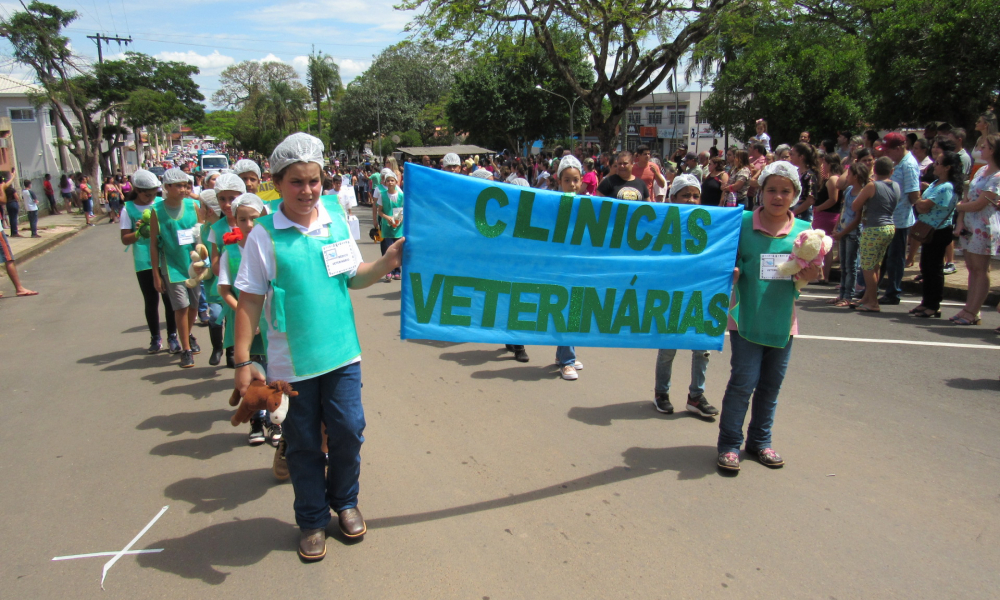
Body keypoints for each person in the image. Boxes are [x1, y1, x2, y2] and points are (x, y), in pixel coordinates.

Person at [232, 132, 404, 562]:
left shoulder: (332, 216)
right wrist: (242, 361)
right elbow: (250, 300)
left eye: (314, 181)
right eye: (296, 182)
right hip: (291, 366)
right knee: (304, 442)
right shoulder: (264, 235)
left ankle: (345, 501)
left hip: (342, 355)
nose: (307, 191)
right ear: (276, 182)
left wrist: (387, 262)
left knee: (348, 432)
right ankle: (311, 519)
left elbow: (353, 276)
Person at [717, 161, 819, 472]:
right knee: (743, 382)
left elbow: (809, 275)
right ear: (760, 192)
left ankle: (760, 441)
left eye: (785, 191)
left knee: (772, 385)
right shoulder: (742, 223)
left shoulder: (805, 232)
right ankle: (729, 444)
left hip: (782, 322)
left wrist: (813, 271)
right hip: (746, 318)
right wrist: (730, 273)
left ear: (795, 194)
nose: (777, 196)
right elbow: (724, 258)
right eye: (771, 190)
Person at [653, 173, 719, 418]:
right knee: (668, 348)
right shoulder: (663, 225)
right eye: (685, 195)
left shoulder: (711, 225)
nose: (691, 200)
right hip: (671, 297)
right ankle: (661, 393)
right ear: (672, 198)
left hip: (701, 295)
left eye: (695, 195)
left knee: (702, 349)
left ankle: (696, 397)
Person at [217, 193, 275, 446]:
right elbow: (224, 291)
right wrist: (248, 320)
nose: (249, 224)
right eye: (243, 219)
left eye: (254, 218)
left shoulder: (273, 247)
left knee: (273, 373)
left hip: (272, 323)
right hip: (247, 327)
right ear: (235, 221)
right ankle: (256, 420)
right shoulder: (230, 252)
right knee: (254, 374)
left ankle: (275, 421)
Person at [120, 169, 179, 354]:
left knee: (170, 300)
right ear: (137, 190)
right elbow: (124, 239)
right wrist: (139, 233)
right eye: (147, 194)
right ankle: (155, 337)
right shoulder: (128, 209)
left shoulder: (161, 204)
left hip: (165, 259)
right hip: (143, 261)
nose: (151, 198)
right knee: (151, 300)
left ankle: (172, 336)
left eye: (154, 194)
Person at [149, 168, 203, 368]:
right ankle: (186, 349)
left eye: (186, 185)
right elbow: (153, 245)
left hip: (193, 265)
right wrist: (156, 273)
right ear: (167, 187)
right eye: (179, 186)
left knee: (194, 305)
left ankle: (186, 334)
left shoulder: (193, 206)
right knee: (181, 306)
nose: (183, 189)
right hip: (172, 267)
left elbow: (201, 234)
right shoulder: (157, 211)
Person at [951, 134, 1000, 325]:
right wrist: (961, 219)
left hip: (984, 225)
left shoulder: (997, 177)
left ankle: (973, 310)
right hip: (970, 223)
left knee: (980, 269)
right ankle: (969, 308)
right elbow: (967, 196)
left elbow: (980, 203)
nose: (981, 149)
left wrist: (958, 208)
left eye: (985, 147)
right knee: (971, 267)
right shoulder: (981, 171)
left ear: (993, 150)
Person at [910, 152, 962, 318]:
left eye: (939, 163)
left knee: (934, 269)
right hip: (928, 228)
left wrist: (917, 200)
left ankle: (933, 305)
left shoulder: (947, 186)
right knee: (926, 267)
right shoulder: (935, 183)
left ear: (947, 168)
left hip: (938, 231)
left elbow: (925, 205)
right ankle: (926, 302)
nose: (935, 165)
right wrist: (920, 202)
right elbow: (922, 205)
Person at [850, 157, 899, 313]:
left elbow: (855, 205)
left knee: (867, 266)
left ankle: (873, 302)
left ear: (875, 170)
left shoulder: (872, 186)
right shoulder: (896, 186)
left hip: (874, 229)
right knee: (875, 264)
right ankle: (867, 297)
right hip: (889, 227)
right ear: (891, 171)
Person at [876, 132, 920, 305]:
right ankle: (873, 288)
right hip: (888, 218)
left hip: (900, 219)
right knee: (883, 257)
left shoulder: (908, 165)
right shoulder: (897, 162)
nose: (886, 154)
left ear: (900, 147)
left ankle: (893, 291)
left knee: (895, 257)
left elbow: (913, 193)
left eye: (889, 150)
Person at [553, 156, 586, 381]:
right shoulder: (552, 204)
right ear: (559, 182)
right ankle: (567, 361)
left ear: (582, 181)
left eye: (575, 180)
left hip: (579, 266)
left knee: (573, 310)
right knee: (567, 310)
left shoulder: (589, 206)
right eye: (567, 180)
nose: (572, 185)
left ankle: (564, 353)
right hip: (560, 267)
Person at [829, 162, 867, 307]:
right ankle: (842, 295)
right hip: (843, 230)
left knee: (850, 266)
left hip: (853, 232)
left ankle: (848, 296)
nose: (847, 176)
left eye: (849, 174)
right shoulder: (848, 190)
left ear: (856, 176)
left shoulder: (862, 193)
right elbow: (843, 210)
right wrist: (837, 226)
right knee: (844, 265)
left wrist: (843, 231)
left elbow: (858, 218)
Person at [813, 153, 844, 282]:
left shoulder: (833, 179)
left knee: (823, 246)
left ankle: (823, 276)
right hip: (827, 215)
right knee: (825, 246)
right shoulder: (834, 178)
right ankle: (822, 275)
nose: (822, 166)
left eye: (824, 164)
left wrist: (819, 208)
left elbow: (833, 199)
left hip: (827, 215)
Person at [374, 168, 404, 281]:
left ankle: (397, 271)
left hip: (398, 227)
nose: (390, 182)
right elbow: (380, 211)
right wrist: (387, 218)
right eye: (388, 181)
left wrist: (399, 219)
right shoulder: (383, 195)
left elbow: (404, 209)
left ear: (396, 182)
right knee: (388, 250)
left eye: (392, 180)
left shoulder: (401, 195)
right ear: (385, 182)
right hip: (387, 227)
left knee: (398, 250)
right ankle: (388, 271)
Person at [788, 143, 818, 221]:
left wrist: (793, 213)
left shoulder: (809, 176)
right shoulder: (795, 172)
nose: (790, 157)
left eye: (793, 154)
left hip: (803, 215)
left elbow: (810, 200)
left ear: (801, 157)